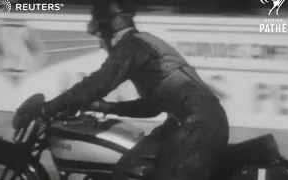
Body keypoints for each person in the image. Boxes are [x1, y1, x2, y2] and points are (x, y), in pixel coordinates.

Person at [41, 0, 230, 179]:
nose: (100, 43)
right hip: (187, 121)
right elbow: (150, 108)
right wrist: (106, 107)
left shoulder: (132, 46)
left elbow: (99, 83)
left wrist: (48, 108)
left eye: (100, 35)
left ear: (108, 28)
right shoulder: (143, 43)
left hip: (197, 124)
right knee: (128, 169)